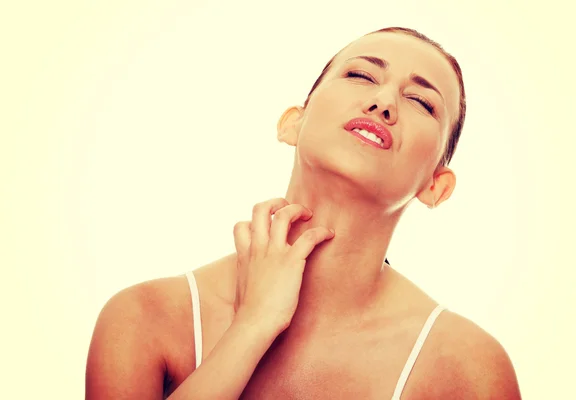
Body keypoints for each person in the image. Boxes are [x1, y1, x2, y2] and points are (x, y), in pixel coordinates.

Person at [85, 27, 521, 399]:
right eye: (361, 74)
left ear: (435, 186)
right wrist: (253, 326)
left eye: (421, 102)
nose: (384, 101)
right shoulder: (145, 318)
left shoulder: (467, 368)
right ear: (292, 123)